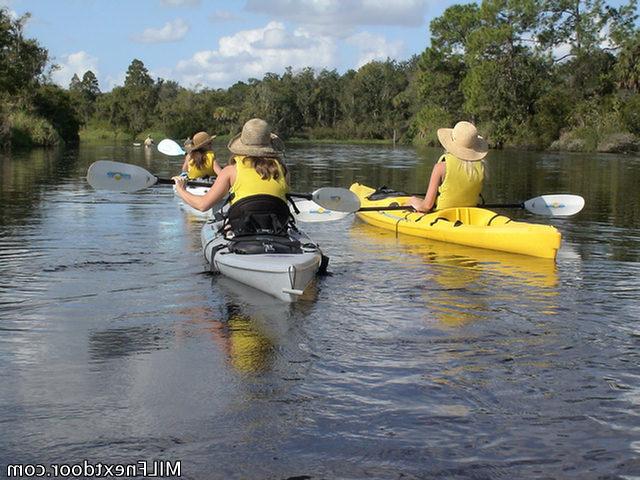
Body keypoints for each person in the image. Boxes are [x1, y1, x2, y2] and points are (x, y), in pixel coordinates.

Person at [173, 118, 289, 233]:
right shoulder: (283, 170)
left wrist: (181, 189)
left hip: (243, 229)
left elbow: (203, 206)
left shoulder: (230, 171)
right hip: (277, 227)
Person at [408, 121, 488, 213]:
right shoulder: (482, 168)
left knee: (411, 200)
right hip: (470, 213)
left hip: (443, 215)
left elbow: (427, 205)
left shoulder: (440, 167)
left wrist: (412, 201)